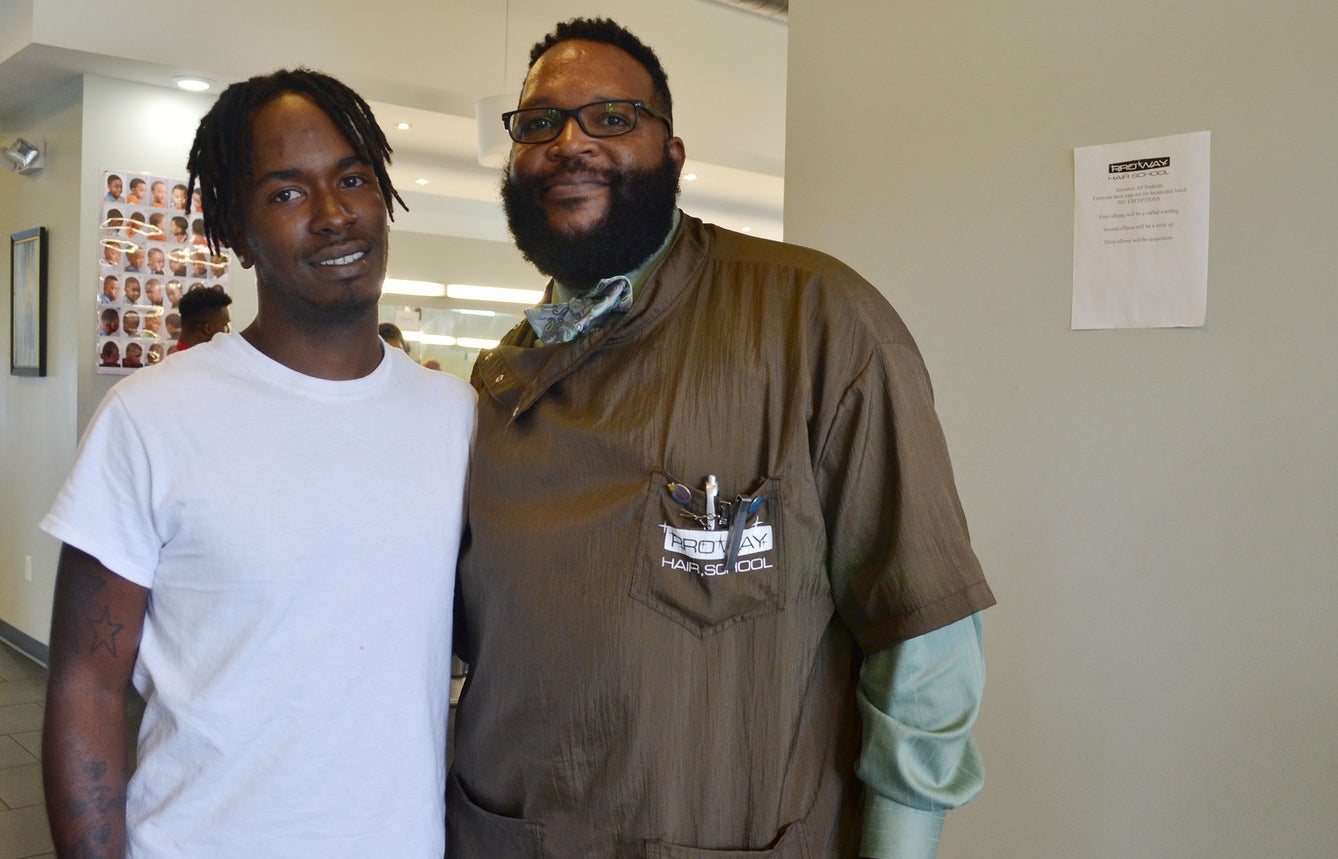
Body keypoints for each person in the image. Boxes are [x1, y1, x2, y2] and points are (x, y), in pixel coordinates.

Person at [450, 18, 996, 859]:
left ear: (673, 155)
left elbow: (920, 631)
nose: (570, 143)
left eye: (611, 117)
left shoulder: (817, 323)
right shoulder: (497, 383)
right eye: (539, 123)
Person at [41, 67, 475, 858]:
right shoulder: (151, 417)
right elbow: (86, 685)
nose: (333, 213)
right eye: (287, 192)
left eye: (353, 179)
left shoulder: (458, 418)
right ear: (236, 233)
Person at [170, 285, 231, 352]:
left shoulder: (177, 355)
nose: (228, 331)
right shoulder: (197, 358)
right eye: (224, 325)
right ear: (208, 329)